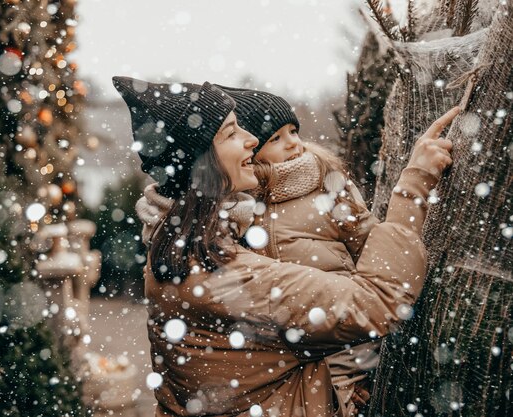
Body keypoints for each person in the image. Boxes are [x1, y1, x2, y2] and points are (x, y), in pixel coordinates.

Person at [113, 75, 458, 417]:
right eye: (231, 133)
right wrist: (413, 187)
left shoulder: (179, 247)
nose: (251, 140)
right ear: (202, 163)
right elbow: (375, 303)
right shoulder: (225, 275)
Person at [217, 85, 381, 417]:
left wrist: (356, 375)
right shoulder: (240, 206)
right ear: (252, 148)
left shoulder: (327, 185)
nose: (293, 142)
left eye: (293, 131)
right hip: (280, 361)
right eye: (275, 138)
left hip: (343, 339)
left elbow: (370, 246)